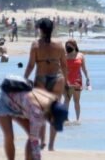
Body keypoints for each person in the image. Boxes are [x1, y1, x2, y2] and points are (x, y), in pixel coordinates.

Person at [24, 18, 67, 151]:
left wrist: (24, 78)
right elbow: (64, 65)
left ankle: (42, 141)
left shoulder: (36, 45)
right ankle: (51, 146)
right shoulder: (59, 44)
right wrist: (66, 82)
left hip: (41, 78)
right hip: (57, 78)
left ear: (40, 29)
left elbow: (31, 65)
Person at [0, 85, 67, 160]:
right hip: (1, 103)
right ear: (52, 116)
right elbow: (34, 140)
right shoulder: (37, 112)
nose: (52, 123)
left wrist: (43, 139)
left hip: (18, 105)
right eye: (54, 122)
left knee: (31, 134)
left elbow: (41, 124)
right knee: (9, 135)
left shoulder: (52, 100)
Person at [64, 40, 90, 123]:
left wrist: (87, 78)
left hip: (77, 80)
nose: (68, 47)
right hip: (67, 81)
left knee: (76, 100)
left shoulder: (80, 55)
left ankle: (78, 119)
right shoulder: (64, 56)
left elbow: (84, 68)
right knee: (67, 99)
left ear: (74, 46)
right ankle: (65, 119)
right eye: (67, 46)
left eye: (70, 46)